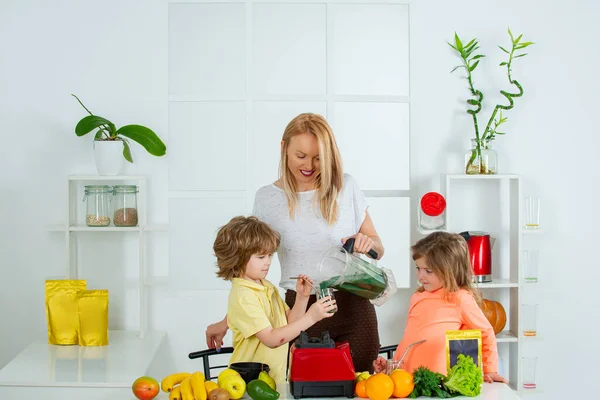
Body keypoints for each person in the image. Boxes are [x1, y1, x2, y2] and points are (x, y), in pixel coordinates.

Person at [206, 113, 385, 373]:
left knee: (365, 387)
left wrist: (367, 242)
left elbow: (378, 249)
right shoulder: (267, 198)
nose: (309, 166)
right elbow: (249, 272)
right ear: (284, 148)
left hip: (353, 308)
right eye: (300, 156)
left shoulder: (345, 187)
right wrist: (229, 321)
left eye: (318, 157)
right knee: (303, 389)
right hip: (297, 310)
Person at [372, 232, 507, 384]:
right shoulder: (418, 296)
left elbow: (486, 332)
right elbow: (410, 340)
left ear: (450, 270)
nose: (420, 276)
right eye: (418, 268)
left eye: (428, 271)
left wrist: (490, 370)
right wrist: (392, 367)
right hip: (409, 382)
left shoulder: (459, 298)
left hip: (438, 383)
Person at [214, 216, 336, 383]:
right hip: (248, 382)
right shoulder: (243, 296)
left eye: (270, 255)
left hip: (272, 380)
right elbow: (272, 339)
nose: (268, 262)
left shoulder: (265, 286)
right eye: (261, 257)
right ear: (238, 257)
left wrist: (302, 298)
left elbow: (288, 322)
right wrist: (312, 317)